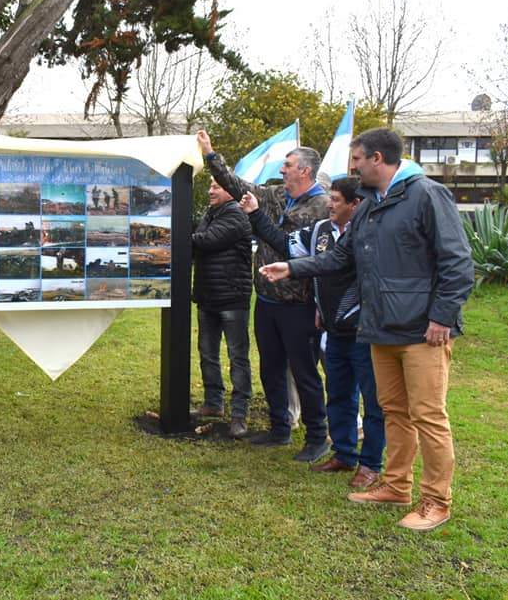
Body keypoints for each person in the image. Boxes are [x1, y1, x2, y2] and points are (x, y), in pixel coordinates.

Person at [259, 128, 474, 531]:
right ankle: (396, 486)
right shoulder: (370, 205)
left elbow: (458, 262)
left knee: (428, 416)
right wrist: (292, 267)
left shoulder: (427, 195)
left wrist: (442, 317)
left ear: (377, 158)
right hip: (380, 328)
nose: (352, 167)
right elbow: (340, 257)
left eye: (356, 159)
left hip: (423, 331)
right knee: (394, 411)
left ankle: (436, 501)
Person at [242, 177, 385, 488]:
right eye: (330, 198)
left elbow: (332, 263)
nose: (329, 204)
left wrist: (293, 269)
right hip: (332, 327)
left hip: (364, 328)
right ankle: (343, 453)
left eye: (335, 200)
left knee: (372, 400)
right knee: (339, 393)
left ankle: (370, 464)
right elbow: (285, 243)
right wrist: (255, 214)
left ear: (355, 204)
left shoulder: (371, 234)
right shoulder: (321, 230)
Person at [196, 130, 330, 462]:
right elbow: (236, 184)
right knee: (271, 369)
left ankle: (317, 437)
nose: (282, 170)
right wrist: (211, 155)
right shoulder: (275, 195)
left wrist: (256, 215)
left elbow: (291, 247)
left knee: (304, 373)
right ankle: (279, 428)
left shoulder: (321, 206)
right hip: (267, 301)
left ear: (305, 171)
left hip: (299, 304)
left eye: (288, 165)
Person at [190, 179, 254, 439]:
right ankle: (213, 403)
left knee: (237, 357)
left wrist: (177, 237)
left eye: (216, 186)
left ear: (230, 190)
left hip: (232, 298)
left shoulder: (236, 216)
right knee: (207, 353)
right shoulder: (211, 214)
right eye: (210, 186)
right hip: (208, 296)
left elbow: (205, 241)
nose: (210, 191)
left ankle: (239, 414)